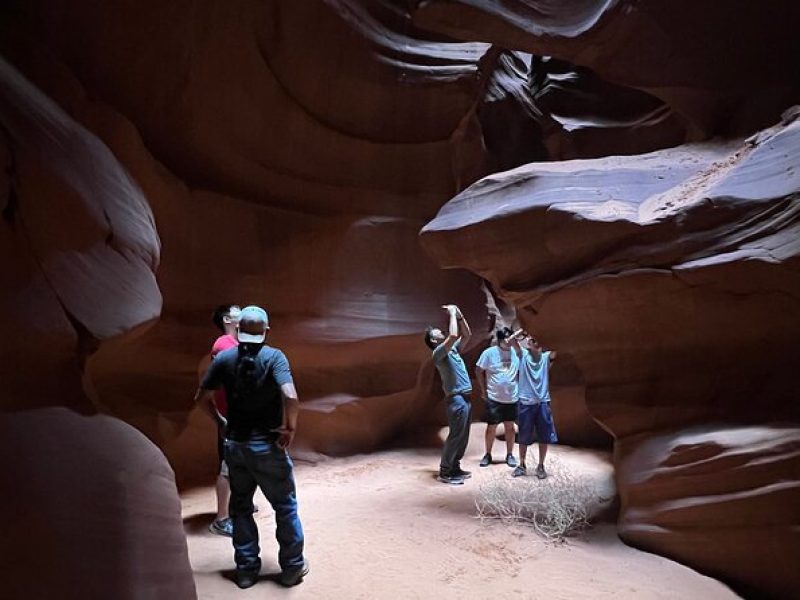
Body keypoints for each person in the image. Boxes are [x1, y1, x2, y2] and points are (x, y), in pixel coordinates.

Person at [195, 305, 308, 589]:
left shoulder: (225, 358)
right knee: (285, 507)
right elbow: (290, 396)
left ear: (240, 329)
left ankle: (246, 570)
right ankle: (292, 568)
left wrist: (220, 421)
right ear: (266, 331)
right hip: (268, 447)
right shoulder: (274, 357)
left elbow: (201, 396)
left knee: (241, 508)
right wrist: (290, 427)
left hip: (236, 446)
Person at [424, 304, 473, 485]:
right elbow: (453, 335)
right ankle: (445, 471)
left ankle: (455, 467)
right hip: (456, 399)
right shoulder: (438, 353)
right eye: (437, 333)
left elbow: (466, 334)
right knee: (455, 436)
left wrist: (459, 316)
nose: (441, 333)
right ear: (434, 341)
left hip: (465, 398)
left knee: (463, 435)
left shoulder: (453, 350)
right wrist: (452, 312)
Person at [205, 304, 241, 536]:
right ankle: (221, 519)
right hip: (230, 416)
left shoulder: (236, 344)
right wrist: (220, 419)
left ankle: (234, 506)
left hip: (239, 415)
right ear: (228, 319)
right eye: (239, 311)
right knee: (227, 466)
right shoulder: (223, 344)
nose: (245, 313)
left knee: (239, 463)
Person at [510, 331, 558, 479]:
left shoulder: (545, 357)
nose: (533, 341)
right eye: (531, 339)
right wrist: (523, 331)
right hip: (525, 402)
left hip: (542, 402)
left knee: (544, 436)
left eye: (536, 340)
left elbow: (558, 347)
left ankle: (541, 465)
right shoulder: (523, 354)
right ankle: (522, 465)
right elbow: (511, 340)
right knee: (523, 435)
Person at [475, 327, 520, 468]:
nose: (508, 342)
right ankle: (487, 454)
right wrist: (483, 389)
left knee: (510, 426)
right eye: (506, 340)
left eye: (510, 339)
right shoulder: (489, 353)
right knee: (492, 426)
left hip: (512, 397)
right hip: (494, 397)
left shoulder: (516, 352)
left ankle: (510, 454)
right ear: (499, 340)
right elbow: (478, 370)